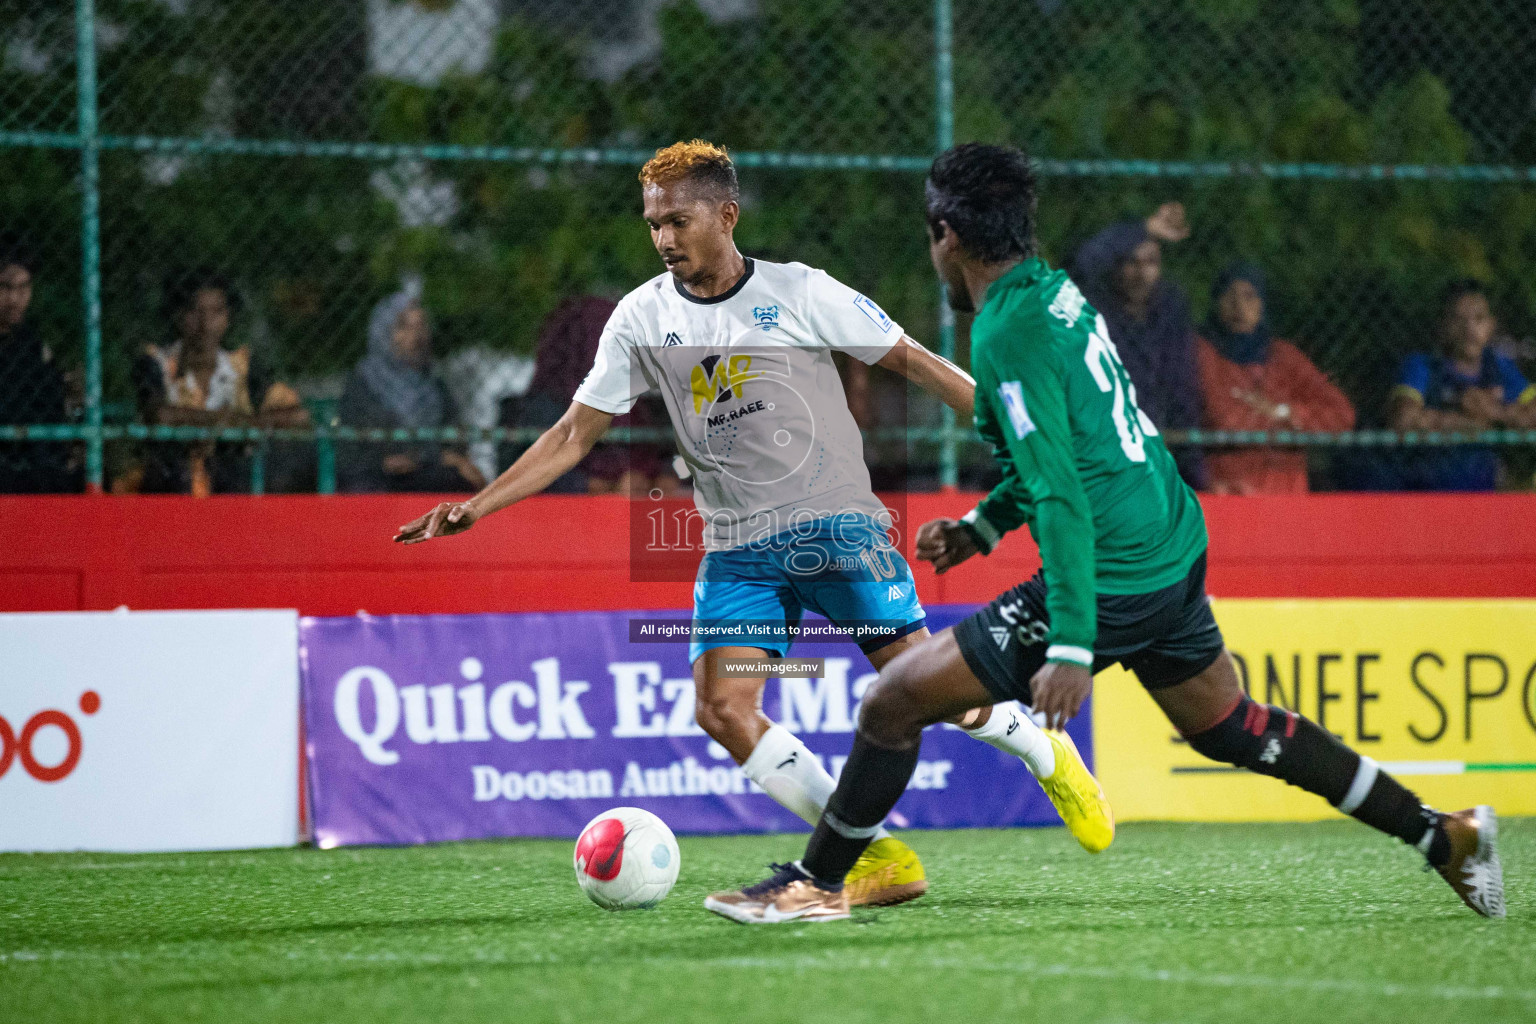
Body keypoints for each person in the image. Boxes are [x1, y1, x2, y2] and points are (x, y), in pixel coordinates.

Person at [706, 143, 1503, 924]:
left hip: (1111, 572)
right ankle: (1445, 835)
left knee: (891, 703)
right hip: (1169, 543)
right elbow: (1078, 448)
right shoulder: (1055, 293)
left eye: (930, 235)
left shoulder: (1006, 332)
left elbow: (1060, 494)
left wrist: (1073, 646)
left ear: (947, 236)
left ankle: (816, 883)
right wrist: (984, 526)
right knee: (1231, 727)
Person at [395, 139, 1113, 908]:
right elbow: (574, 433)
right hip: (738, 550)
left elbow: (917, 364)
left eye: (678, 220)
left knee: (932, 693)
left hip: (840, 531)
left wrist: (1030, 437)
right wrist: (479, 505)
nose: (665, 238)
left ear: (726, 214)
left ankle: (1042, 746)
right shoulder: (641, 318)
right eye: (653, 225)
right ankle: (866, 855)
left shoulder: (800, 291)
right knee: (721, 709)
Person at [131, 269, 310, 495]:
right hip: (171, 486)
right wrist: (219, 421)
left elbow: (297, 415)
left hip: (232, 484)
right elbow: (159, 414)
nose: (206, 324)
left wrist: (242, 424)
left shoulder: (243, 366)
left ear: (228, 317)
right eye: (195, 312)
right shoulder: (157, 363)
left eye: (216, 312)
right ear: (177, 315)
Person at [1071, 201, 1205, 489]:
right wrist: (1143, 229)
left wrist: (1193, 473)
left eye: (1151, 263)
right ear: (1117, 266)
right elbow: (1085, 261)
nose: (1141, 273)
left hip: (1153, 439)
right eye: (1132, 262)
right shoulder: (1096, 307)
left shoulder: (1170, 309)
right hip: (1100, 439)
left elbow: (1182, 388)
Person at [1195, 263, 1355, 494]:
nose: (1239, 306)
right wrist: (1288, 427)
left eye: (1249, 296)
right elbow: (1225, 419)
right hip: (1228, 487)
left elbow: (1341, 415)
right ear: (1216, 302)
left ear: (1262, 304)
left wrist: (1285, 412)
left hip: (1284, 489)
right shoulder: (1202, 351)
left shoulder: (1283, 355)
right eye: (1229, 295)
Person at [503, 295, 679, 496]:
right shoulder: (549, 403)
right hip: (571, 511)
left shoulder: (641, 398)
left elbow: (673, 456)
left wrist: (665, 475)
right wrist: (601, 486)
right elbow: (527, 472)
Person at [1370, 280, 1536, 491]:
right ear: (1444, 325)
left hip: (1487, 496)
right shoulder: (1423, 365)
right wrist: (1467, 420)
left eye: (1478, 319)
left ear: (1491, 325)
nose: (1469, 330)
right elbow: (1403, 419)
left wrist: (1494, 412)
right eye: (1459, 320)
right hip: (1424, 493)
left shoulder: (1500, 367)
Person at [337, 288, 486, 494]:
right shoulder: (364, 384)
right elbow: (356, 452)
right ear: (383, 332)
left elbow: (455, 443)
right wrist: (433, 457)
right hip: (378, 480)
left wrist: (434, 458)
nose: (416, 335)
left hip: (428, 475)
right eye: (403, 326)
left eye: (421, 325)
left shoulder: (436, 386)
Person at [0, 241, 78, 493]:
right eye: (5, 288)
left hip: (35, 454)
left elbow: (49, 398)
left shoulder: (31, 342)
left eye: (24, 288)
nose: (15, 299)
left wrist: (68, 386)